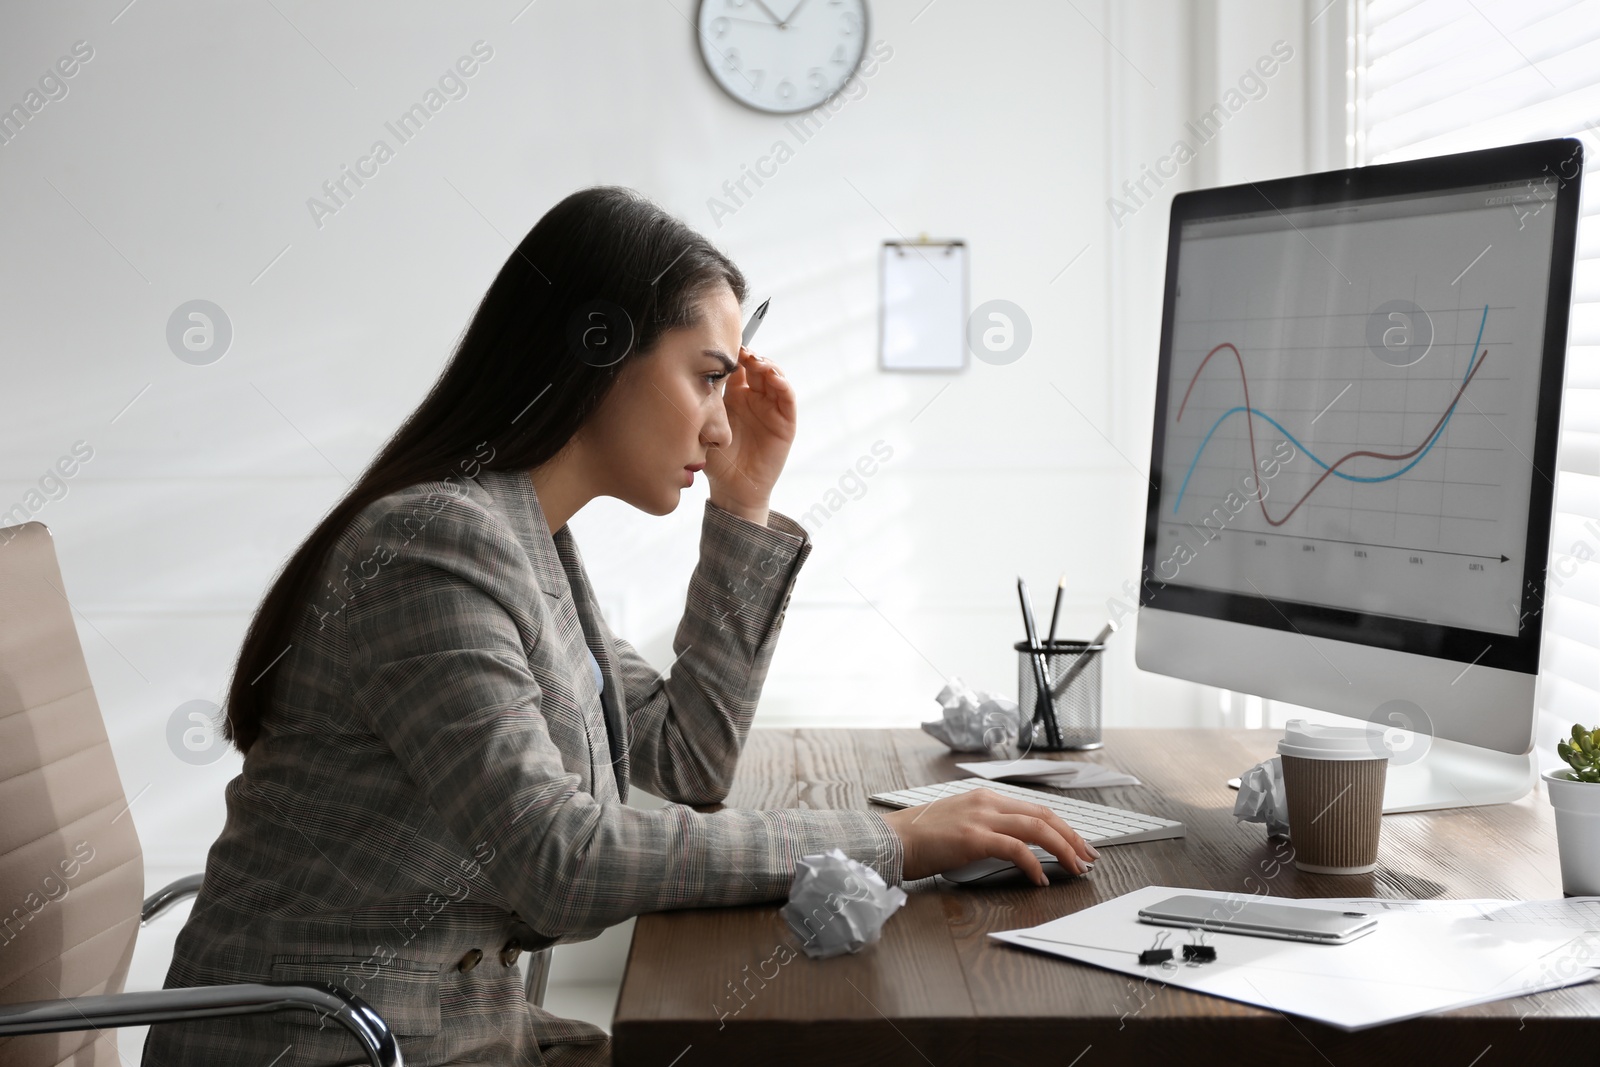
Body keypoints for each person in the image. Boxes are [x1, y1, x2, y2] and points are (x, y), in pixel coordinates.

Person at [141, 186, 1097, 1067]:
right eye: (706, 378)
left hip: (448, 1033)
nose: (722, 426)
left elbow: (685, 758)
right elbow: (559, 858)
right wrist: (894, 838)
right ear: (598, 350)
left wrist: (744, 510)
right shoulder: (433, 546)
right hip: (340, 1046)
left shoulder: (529, 538)